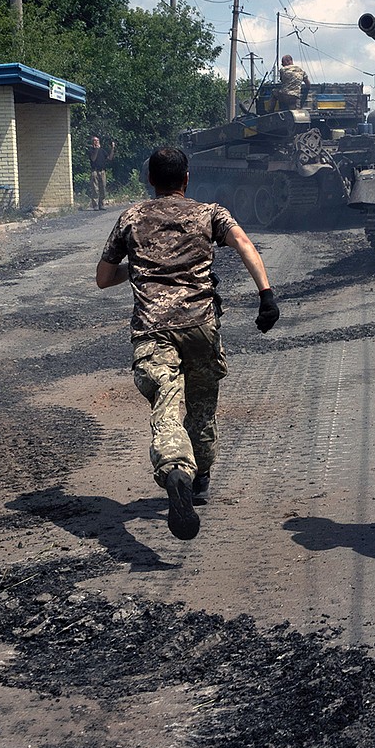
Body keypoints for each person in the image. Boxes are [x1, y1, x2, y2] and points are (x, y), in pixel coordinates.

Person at [95, 147, 280, 541]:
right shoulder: (208, 212)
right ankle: (200, 479)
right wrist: (266, 294)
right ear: (187, 179)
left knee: (166, 404)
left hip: (152, 331)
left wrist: (142, 266)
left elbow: (104, 277)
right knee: (201, 408)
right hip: (200, 328)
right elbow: (244, 243)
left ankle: (176, 469)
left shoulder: (131, 217)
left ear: (149, 180)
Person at [88, 136, 115, 210]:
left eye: (97, 140)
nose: (96, 142)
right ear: (92, 142)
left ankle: (101, 204)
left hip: (102, 171)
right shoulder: (91, 150)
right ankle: (95, 205)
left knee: (103, 187)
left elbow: (109, 158)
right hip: (95, 171)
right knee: (95, 188)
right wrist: (96, 150)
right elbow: (93, 159)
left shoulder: (102, 151)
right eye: (95, 140)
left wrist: (112, 148)